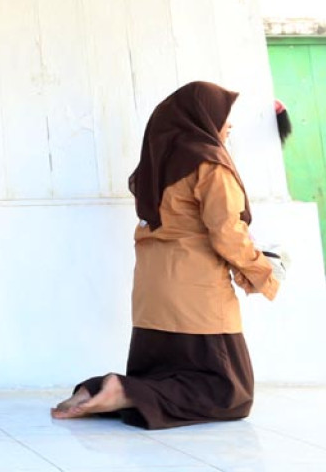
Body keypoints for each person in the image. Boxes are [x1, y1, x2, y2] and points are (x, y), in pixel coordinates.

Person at [52, 81, 280, 429]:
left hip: (151, 297)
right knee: (231, 393)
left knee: (164, 375)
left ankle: (99, 389)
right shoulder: (210, 163)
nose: (229, 124)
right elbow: (227, 232)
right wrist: (264, 272)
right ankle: (122, 390)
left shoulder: (157, 164)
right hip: (196, 294)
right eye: (223, 115)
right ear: (202, 117)